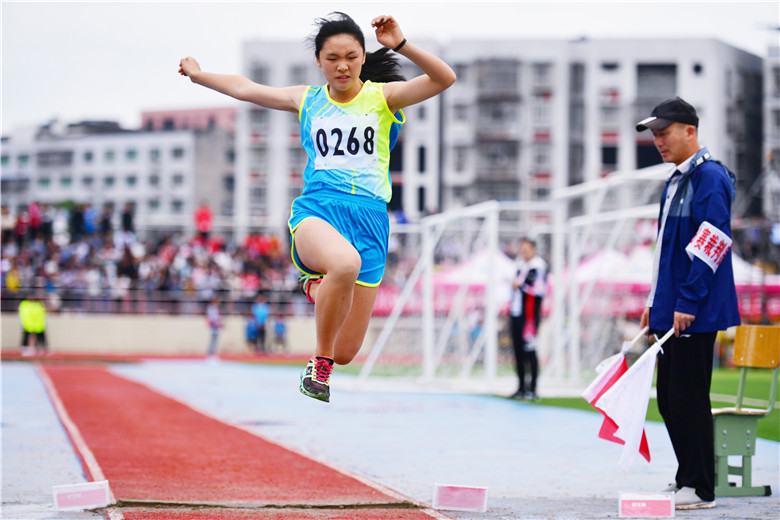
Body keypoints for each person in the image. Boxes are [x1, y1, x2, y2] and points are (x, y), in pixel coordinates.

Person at [180, 12, 455, 402]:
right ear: (319, 61)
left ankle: (316, 292)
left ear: (362, 57)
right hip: (318, 212)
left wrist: (401, 45)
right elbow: (245, 88)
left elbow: (445, 79)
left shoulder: (384, 98)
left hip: (371, 221)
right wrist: (198, 75)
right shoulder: (307, 99)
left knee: (347, 351)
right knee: (344, 265)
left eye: (350, 56)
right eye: (332, 58)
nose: (341, 65)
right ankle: (318, 365)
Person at [636, 97, 740, 510]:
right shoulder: (674, 180)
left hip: (694, 309)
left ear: (689, 131)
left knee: (689, 398)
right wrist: (652, 301)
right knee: (668, 399)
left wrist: (689, 300)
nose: (658, 140)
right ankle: (687, 477)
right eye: (654, 134)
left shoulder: (710, 176)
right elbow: (665, 249)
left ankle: (701, 487)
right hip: (670, 305)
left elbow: (713, 240)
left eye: (664, 132)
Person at [508, 238, 547, 400]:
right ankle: (521, 386)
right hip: (517, 313)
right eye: (521, 250)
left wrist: (519, 285)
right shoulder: (521, 265)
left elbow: (530, 286)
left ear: (533, 250)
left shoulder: (538, 265)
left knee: (530, 351)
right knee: (518, 351)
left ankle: (532, 388)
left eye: (526, 249)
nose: (523, 253)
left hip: (529, 316)